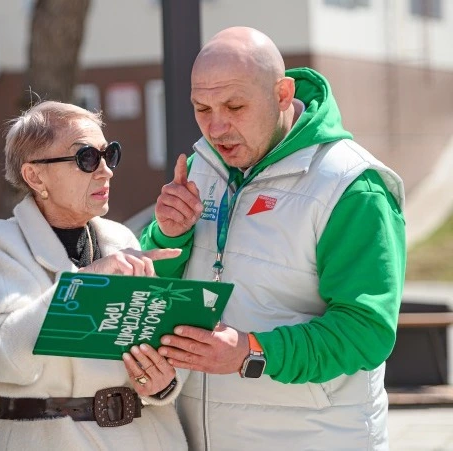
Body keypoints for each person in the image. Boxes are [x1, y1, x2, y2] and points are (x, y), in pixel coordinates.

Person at [140, 27, 405, 450]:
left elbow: (365, 332)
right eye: (201, 108)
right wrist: (169, 235)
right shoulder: (200, 167)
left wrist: (250, 351)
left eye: (235, 105)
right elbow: (153, 288)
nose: (216, 126)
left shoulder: (352, 185)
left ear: (282, 94)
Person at [0, 101, 187, 450]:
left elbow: (156, 353)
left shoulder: (122, 241)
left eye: (109, 154)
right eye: (86, 158)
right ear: (35, 176)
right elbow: (0, 360)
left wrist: (161, 382)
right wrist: (86, 283)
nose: (105, 171)